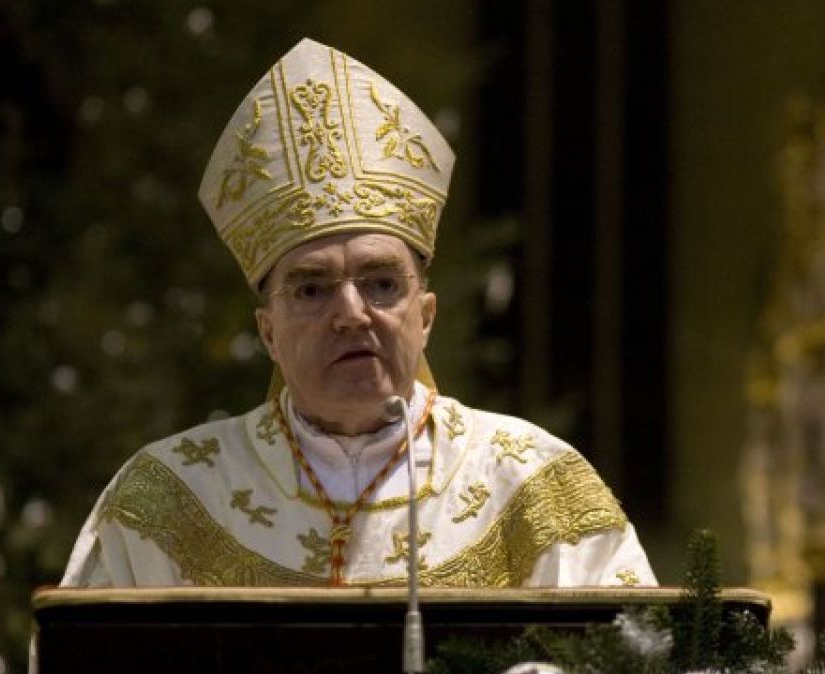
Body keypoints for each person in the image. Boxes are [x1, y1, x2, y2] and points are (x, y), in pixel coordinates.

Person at [59, 38, 655, 589]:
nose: (351, 313)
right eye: (311, 290)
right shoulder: (167, 499)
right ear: (268, 332)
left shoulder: (533, 486)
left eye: (382, 284)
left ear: (426, 316)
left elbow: (634, 662)